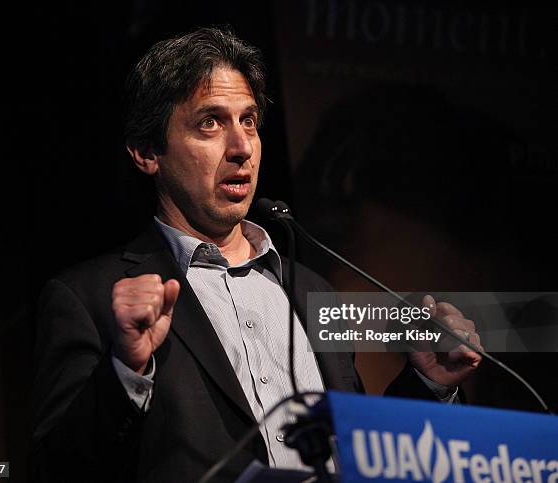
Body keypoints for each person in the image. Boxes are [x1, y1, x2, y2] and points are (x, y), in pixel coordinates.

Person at [30, 27, 481, 482]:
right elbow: (56, 468)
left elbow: (362, 452)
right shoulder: (87, 298)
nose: (242, 147)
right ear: (147, 152)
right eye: (210, 123)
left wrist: (426, 384)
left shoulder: (308, 286)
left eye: (248, 121)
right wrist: (127, 371)